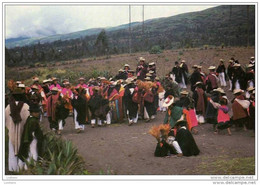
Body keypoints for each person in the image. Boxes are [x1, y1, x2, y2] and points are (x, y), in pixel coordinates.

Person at [5, 88, 30, 172]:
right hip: (23, 132)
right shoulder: (26, 106)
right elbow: (28, 119)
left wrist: (10, 126)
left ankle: (12, 168)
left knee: (12, 150)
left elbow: (5, 119)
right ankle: (21, 167)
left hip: (11, 132)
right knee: (23, 149)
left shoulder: (8, 107)